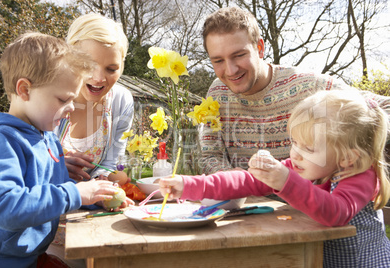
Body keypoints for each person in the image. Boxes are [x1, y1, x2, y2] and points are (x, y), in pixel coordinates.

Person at [160, 89, 390, 267]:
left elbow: (335, 212)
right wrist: (189, 185)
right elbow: (246, 181)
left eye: (308, 148)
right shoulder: (304, 167)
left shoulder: (360, 176)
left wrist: (286, 181)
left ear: (348, 158)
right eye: (294, 142)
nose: (295, 154)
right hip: (319, 260)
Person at [0, 32, 130, 267]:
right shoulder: (1, 141)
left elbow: (56, 192)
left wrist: (95, 197)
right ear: (24, 90)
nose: (71, 108)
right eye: (63, 100)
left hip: (33, 257)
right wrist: (76, 194)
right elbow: (4, 207)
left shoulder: (48, 139)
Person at [198, 6, 390, 175]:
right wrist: (230, 178)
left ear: (260, 48)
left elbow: (381, 107)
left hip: (313, 207)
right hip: (247, 207)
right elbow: (210, 155)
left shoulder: (309, 87)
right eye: (218, 61)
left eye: (239, 55)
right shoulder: (217, 93)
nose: (230, 70)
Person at [54, 13, 134, 185]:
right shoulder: (50, 99)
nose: (99, 78)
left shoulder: (121, 102)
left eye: (111, 69)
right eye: (88, 65)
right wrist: (55, 167)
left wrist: (103, 183)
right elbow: (25, 161)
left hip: (88, 205)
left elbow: (110, 164)